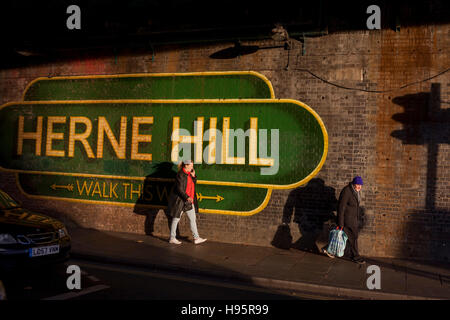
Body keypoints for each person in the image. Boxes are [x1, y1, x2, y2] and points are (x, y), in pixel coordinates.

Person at [323, 176, 365, 264]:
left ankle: (328, 249)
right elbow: (341, 208)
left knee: (348, 238)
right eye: (358, 184)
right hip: (347, 220)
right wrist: (340, 223)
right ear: (353, 184)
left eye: (360, 185)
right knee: (353, 238)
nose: (359, 187)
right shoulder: (347, 191)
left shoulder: (355, 192)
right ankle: (356, 257)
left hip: (353, 220)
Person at [167, 160, 207, 245]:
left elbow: (193, 184)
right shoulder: (180, 175)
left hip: (189, 201)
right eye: (191, 166)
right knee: (176, 219)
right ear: (186, 165)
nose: (192, 167)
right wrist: (187, 197)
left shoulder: (189, 174)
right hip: (181, 201)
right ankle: (172, 238)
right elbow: (179, 189)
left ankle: (196, 238)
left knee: (193, 219)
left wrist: (194, 177)